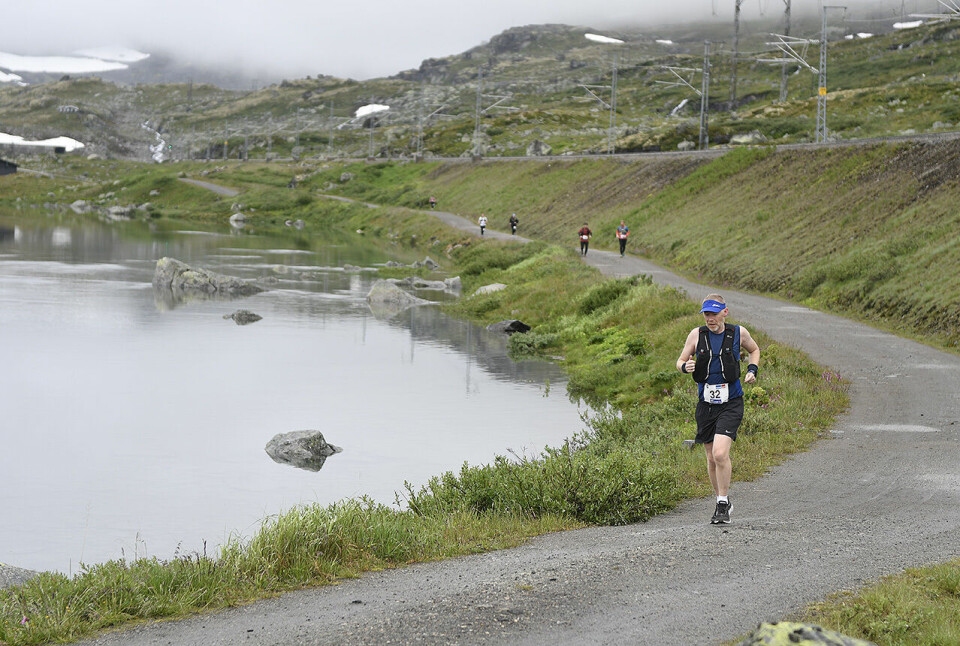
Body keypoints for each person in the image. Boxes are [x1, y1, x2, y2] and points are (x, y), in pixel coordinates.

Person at [676, 294, 760, 525]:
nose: (710, 319)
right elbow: (680, 360)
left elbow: (754, 350)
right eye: (706, 314)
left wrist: (752, 369)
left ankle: (722, 503)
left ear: (725, 312)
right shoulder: (696, 335)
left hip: (731, 402)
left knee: (720, 454)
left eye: (714, 313)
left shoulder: (737, 333)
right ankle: (722, 499)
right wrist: (685, 366)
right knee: (711, 459)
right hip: (706, 404)